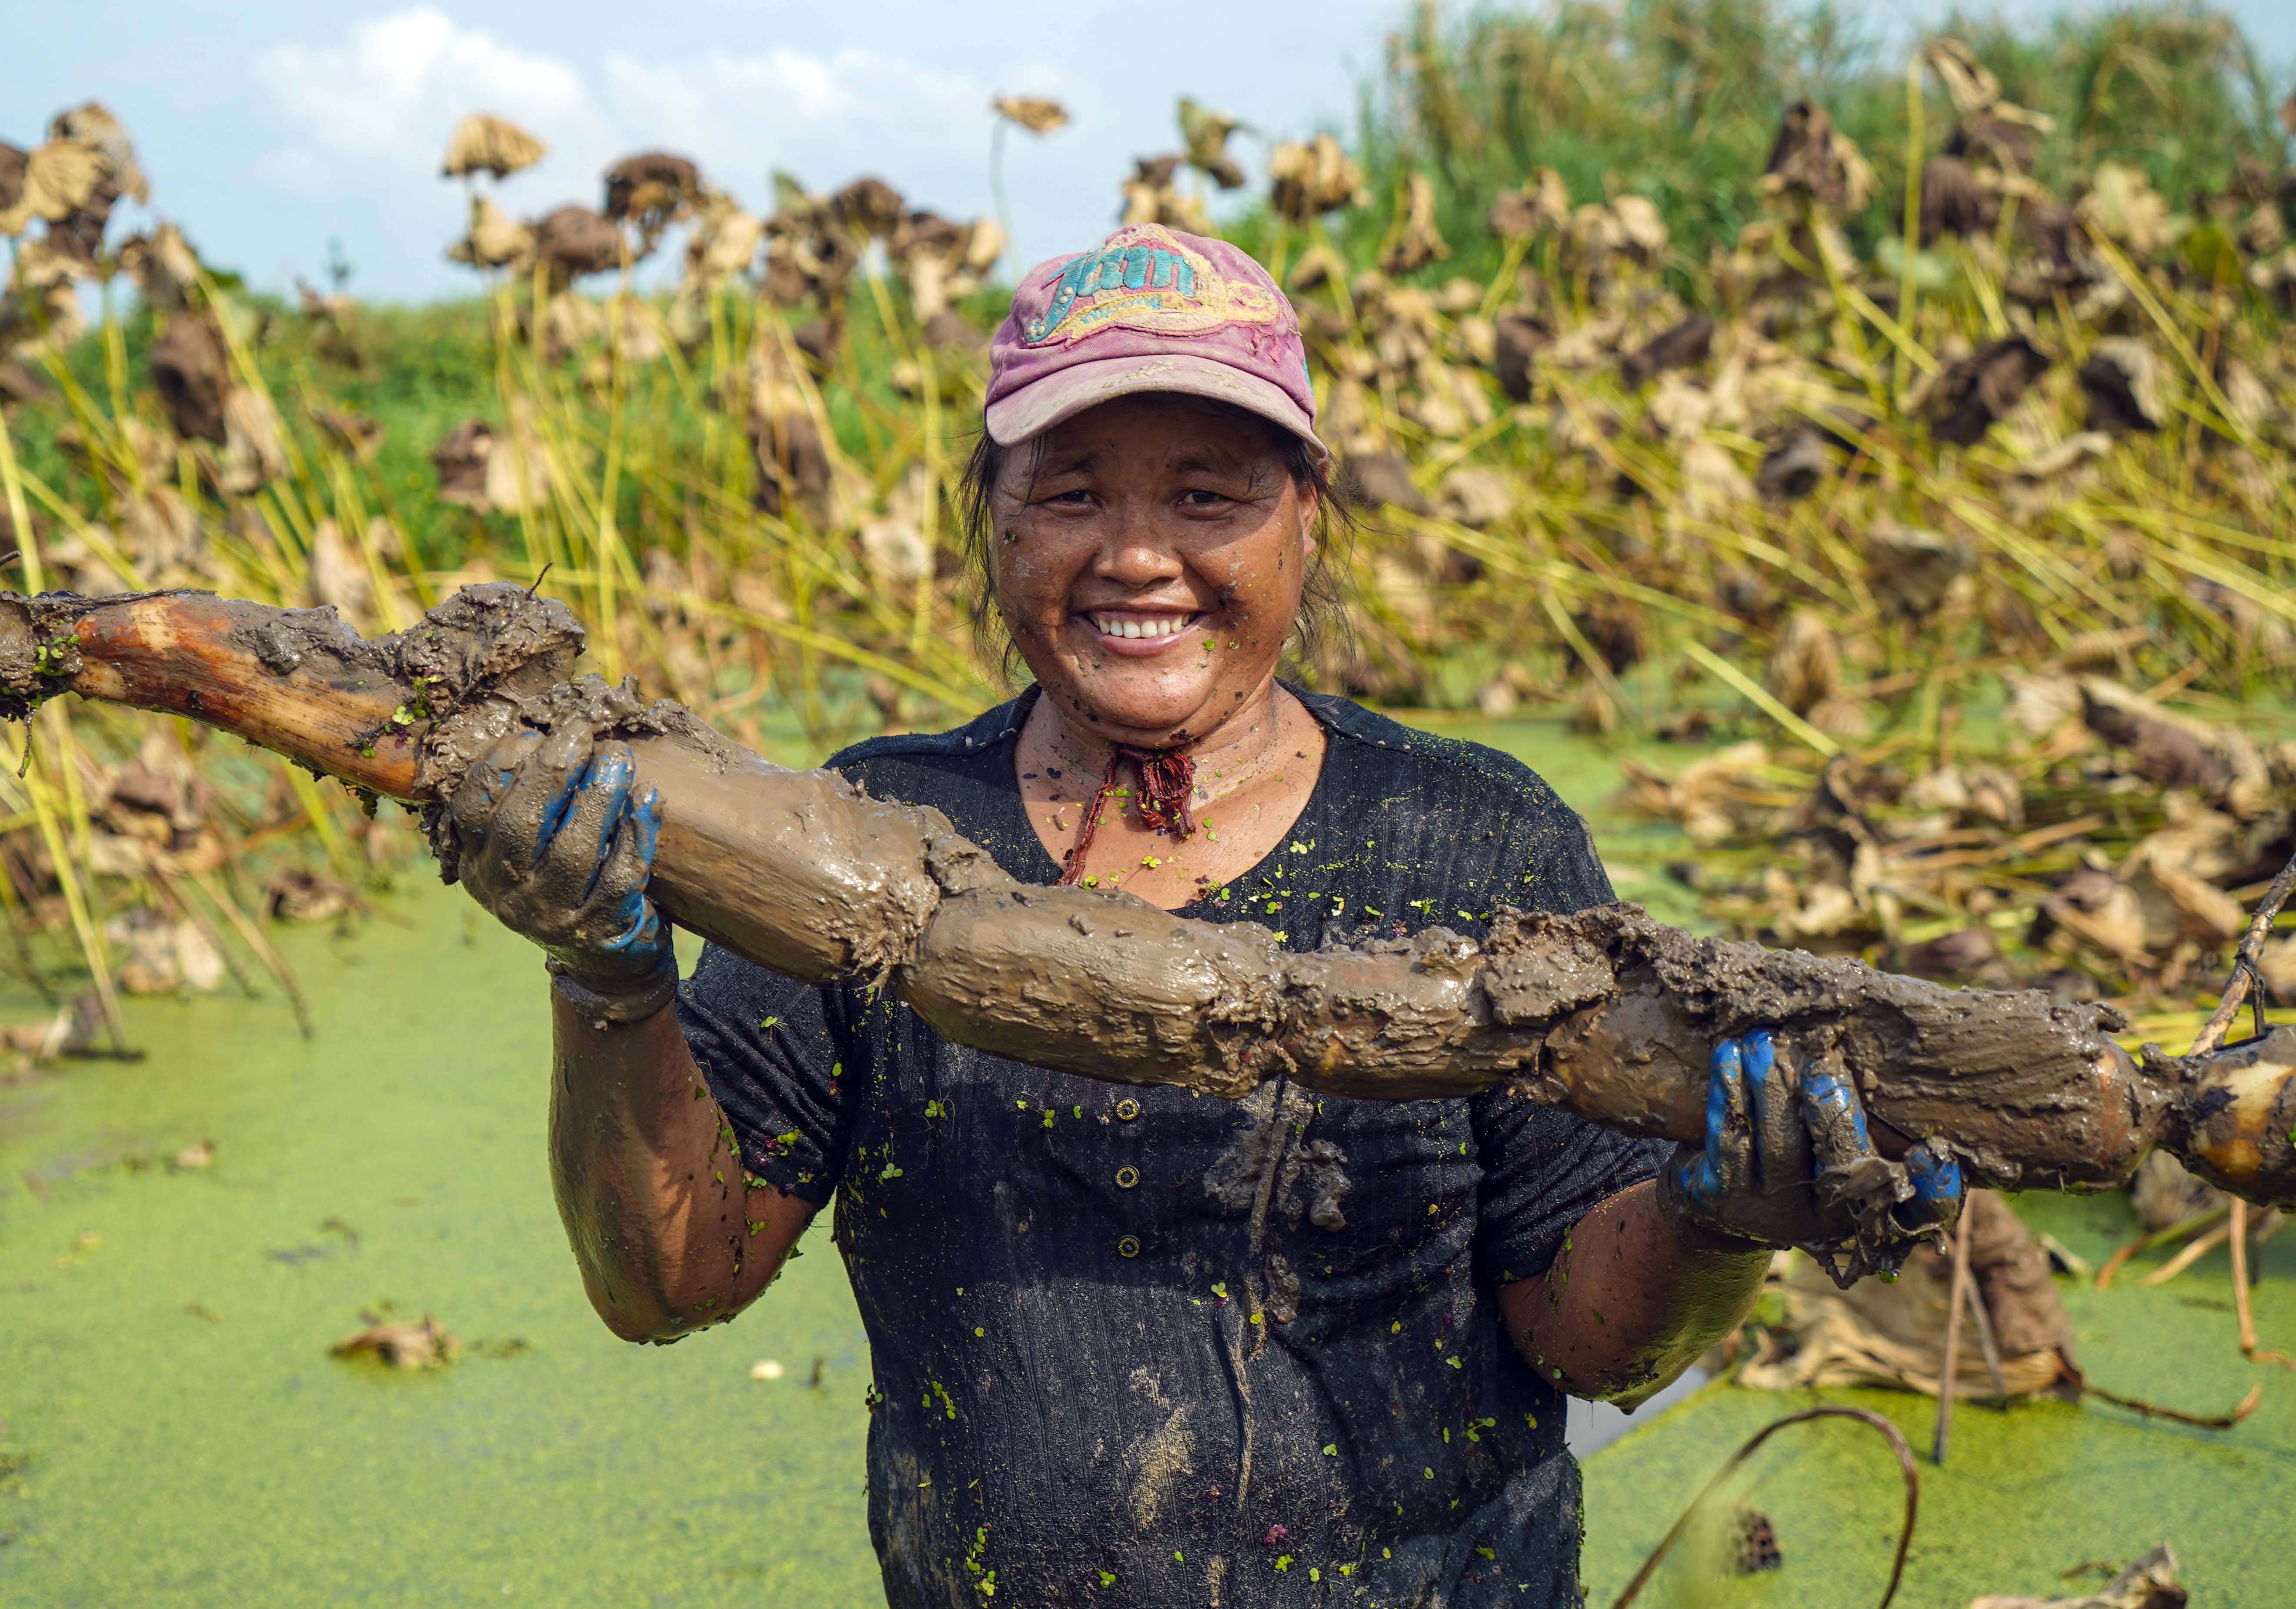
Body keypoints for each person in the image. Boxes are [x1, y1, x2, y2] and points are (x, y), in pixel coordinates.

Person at [439, 224, 1959, 1608]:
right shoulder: (868, 843)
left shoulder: (1478, 839)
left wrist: (1717, 1221)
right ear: (996, 520)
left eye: (1207, 494)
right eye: (1074, 493)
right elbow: (667, 1277)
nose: (1138, 554)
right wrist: (607, 982)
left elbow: (1597, 1332)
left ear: (1306, 513)